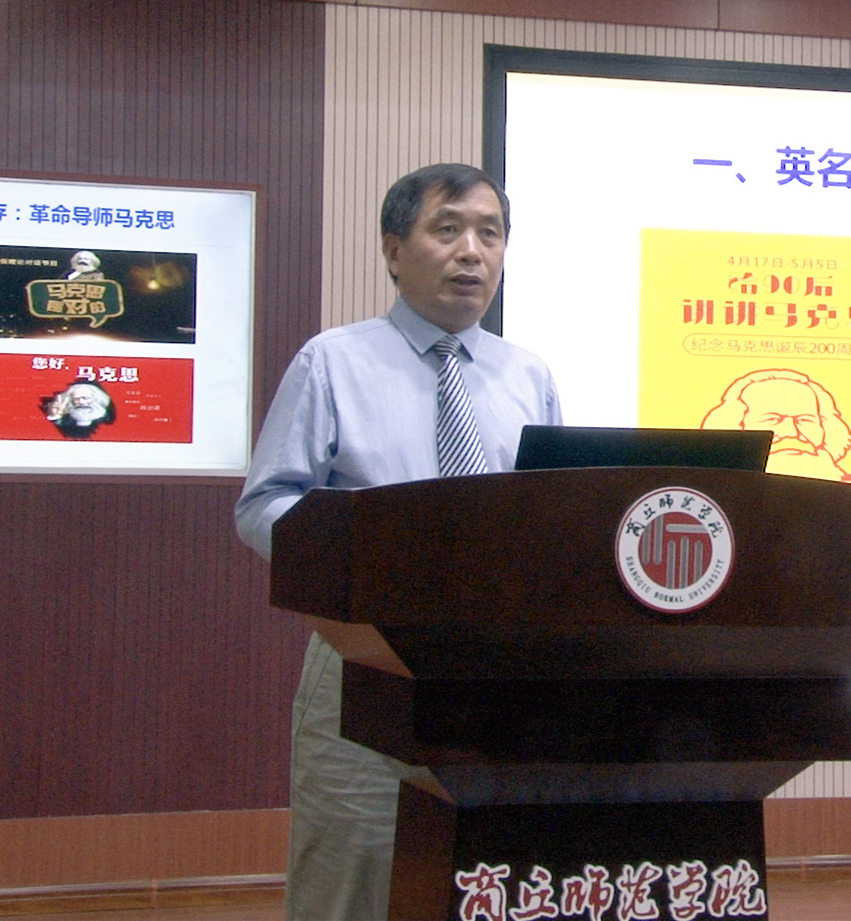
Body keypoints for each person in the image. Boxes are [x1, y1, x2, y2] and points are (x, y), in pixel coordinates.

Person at [234, 164, 561, 921]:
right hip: (367, 656)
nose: (472, 252)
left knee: (484, 878)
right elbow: (264, 505)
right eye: (447, 230)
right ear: (393, 249)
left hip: (496, 672)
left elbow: (547, 516)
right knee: (354, 877)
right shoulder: (333, 361)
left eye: (490, 233)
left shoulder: (528, 376)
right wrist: (366, 565)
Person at [699, 368, 851, 481]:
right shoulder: (708, 487)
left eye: (804, 420)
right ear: (736, 426)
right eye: (773, 420)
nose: (791, 432)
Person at [40, 379, 115, 438]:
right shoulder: (66, 419)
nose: (81, 402)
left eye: (85, 398)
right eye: (76, 399)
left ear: (96, 398)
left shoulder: (107, 419)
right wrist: (55, 415)